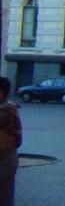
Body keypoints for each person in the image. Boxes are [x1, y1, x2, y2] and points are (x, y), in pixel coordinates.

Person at [0, 77, 22, 206]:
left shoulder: (7, 109)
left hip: (5, 158)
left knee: (4, 193)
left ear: (1, 92)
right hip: (5, 155)